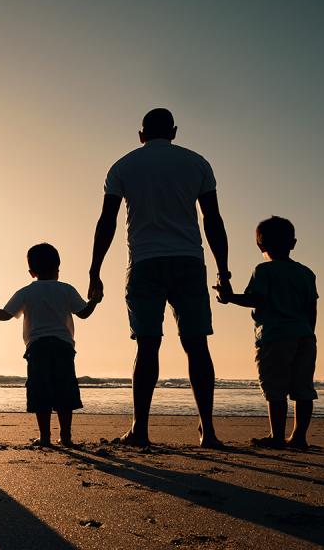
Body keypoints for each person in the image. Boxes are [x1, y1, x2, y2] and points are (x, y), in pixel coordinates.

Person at [88, 108, 232, 449]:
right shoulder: (197, 163)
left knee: (147, 345)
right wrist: (223, 270)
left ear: (141, 135)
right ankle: (208, 431)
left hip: (145, 262)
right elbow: (212, 219)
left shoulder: (123, 166)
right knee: (197, 344)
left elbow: (106, 221)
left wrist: (94, 270)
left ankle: (140, 429)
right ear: (174, 131)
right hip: (188, 261)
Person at [0, 243, 100, 447]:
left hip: (37, 347)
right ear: (58, 268)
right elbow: (84, 313)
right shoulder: (66, 289)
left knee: (40, 390)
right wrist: (94, 300)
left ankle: (45, 437)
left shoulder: (26, 292)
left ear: (31, 272)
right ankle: (66, 436)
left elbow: (6, 315)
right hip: (63, 346)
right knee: (64, 390)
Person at [215, 216, 318, 449]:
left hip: (274, 336)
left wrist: (229, 297)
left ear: (260, 246)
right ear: (293, 243)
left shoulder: (264, 270)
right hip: (304, 336)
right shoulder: (306, 273)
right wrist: (309, 331)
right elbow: (312, 308)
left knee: (276, 388)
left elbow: (256, 298)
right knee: (303, 388)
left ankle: (277, 436)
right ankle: (299, 436)